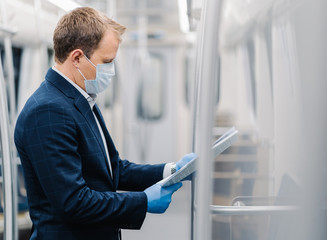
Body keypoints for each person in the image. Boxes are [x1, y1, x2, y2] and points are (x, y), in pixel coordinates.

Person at [14, 7, 196, 240]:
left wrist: (171, 171)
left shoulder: (80, 99)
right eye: (107, 62)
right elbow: (73, 202)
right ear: (77, 57)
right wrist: (143, 201)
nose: (110, 71)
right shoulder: (48, 111)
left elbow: (113, 170)